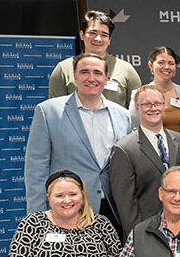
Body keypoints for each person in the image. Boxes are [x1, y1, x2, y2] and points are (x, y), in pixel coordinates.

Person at [25, 53, 132, 223]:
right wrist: (37, 218)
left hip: (113, 210)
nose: (91, 78)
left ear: (106, 78)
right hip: (68, 209)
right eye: (84, 72)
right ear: (75, 77)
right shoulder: (48, 112)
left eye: (97, 73)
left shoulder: (123, 116)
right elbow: (36, 167)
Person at [109, 84, 180, 236]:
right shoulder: (124, 149)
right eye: (146, 104)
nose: (153, 108)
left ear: (164, 106)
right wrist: (138, 236)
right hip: (147, 231)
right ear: (137, 108)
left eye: (157, 103)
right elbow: (126, 204)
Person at [48, 10, 141, 108]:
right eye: (93, 33)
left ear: (109, 40)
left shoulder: (126, 70)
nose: (98, 39)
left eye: (104, 35)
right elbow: (55, 110)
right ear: (82, 35)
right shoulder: (63, 69)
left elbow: (137, 111)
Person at [128, 46, 180, 141]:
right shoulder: (138, 95)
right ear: (151, 66)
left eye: (171, 63)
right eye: (161, 62)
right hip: (149, 153)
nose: (166, 67)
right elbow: (135, 128)